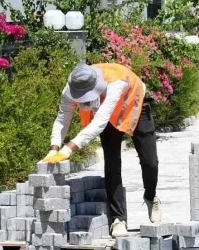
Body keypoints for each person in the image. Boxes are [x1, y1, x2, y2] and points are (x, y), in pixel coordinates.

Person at [43, 63, 161, 238]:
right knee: (112, 162)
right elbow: (62, 118)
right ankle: (118, 219)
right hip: (106, 117)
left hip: (135, 104)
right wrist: (54, 148)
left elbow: (99, 122)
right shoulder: (70, 89)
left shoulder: (116, 83)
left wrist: (68, 149)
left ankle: (151, 197)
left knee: (150, 162)